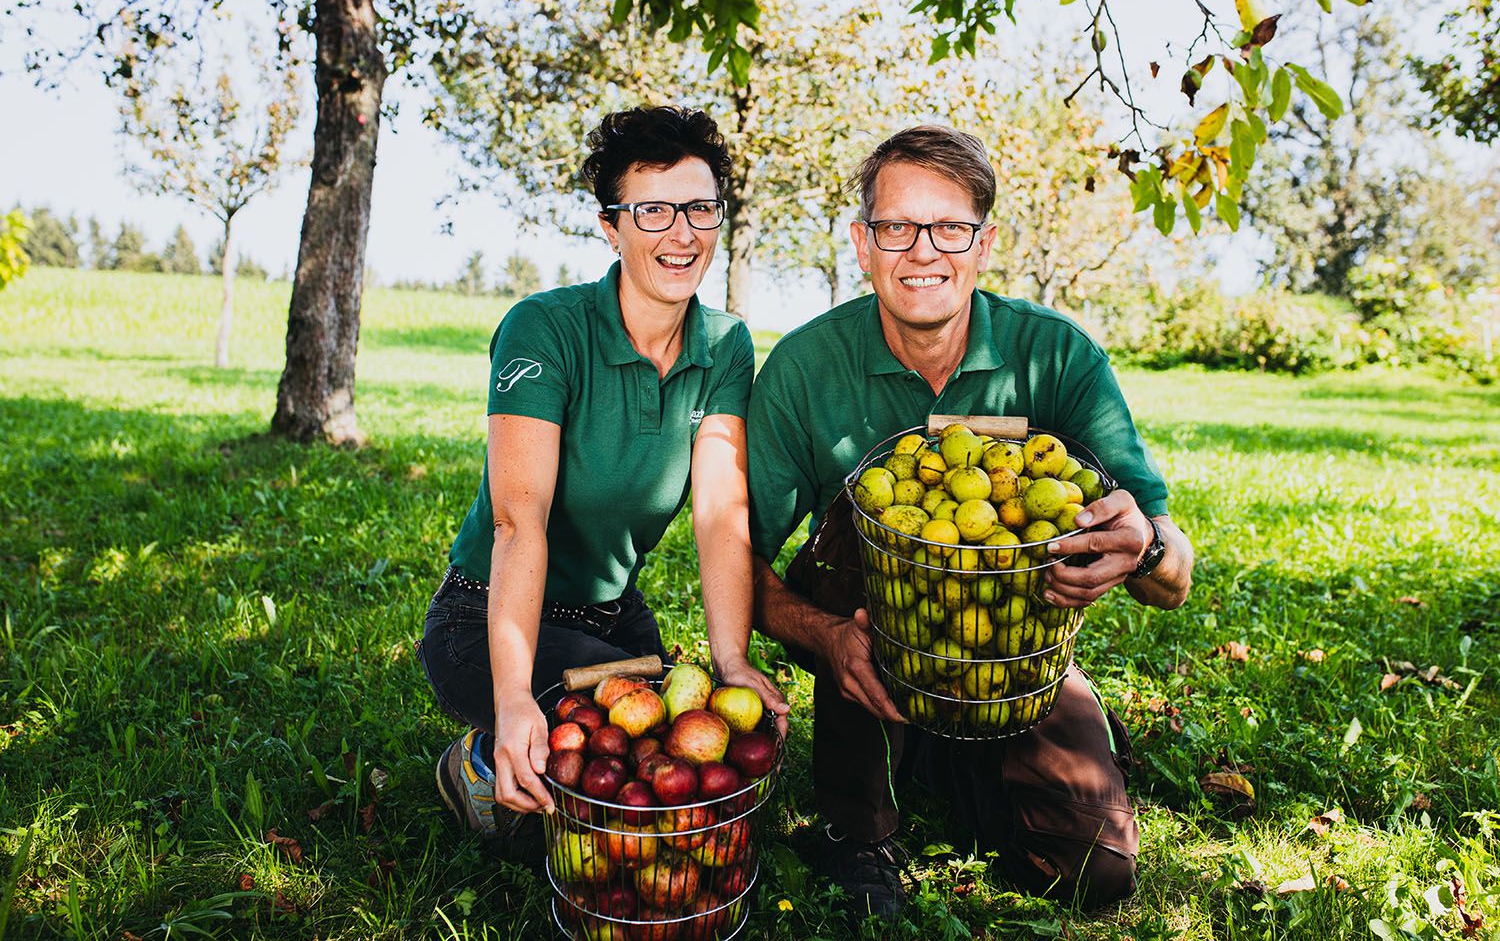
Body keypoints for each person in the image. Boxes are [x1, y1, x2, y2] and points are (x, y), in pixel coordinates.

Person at [746, 125, 1193, 915]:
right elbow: (735, 561)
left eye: (949, 227)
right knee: (866, 526)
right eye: (897, 227)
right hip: (873, 622)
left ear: (983, 243)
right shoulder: (805, 368)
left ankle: (954, 754)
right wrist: (824, 637)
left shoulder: (1055, 356)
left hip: (1014, 650)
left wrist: (1146, 545)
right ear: (863, 243)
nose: (924, 251)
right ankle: (861, 827)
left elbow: (1173, 581)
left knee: (1094, 871)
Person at [419, 105, 788, 844]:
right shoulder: (546, 328)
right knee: (582, 800)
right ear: (610, 227)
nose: (682, 233)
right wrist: (515, 694)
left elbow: (720, 512)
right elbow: (519, 521)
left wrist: (733, 658)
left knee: (667, 769)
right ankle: (478, 761)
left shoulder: (724, 345)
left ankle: (529, 738)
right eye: (653, 210)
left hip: (614, 619)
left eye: (700, 208)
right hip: (487, 615)